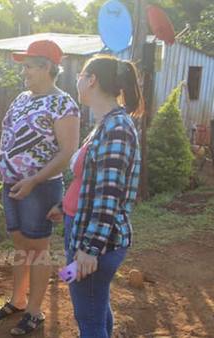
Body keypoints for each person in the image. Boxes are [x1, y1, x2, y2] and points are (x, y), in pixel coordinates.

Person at [0, 40, 80, 335]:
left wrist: (34, 181)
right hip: (11, 183)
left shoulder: (64, 104)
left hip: (40, 188)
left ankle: (35, 312)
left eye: (28, 66)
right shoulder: (21, 98)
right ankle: (18, 300)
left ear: (47, 67)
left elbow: (67, 152)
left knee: (38, 249)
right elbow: (6, 139)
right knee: (20, 245)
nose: (24, 72)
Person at [47, 54, 143, 338]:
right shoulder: (106, 124)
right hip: (83, 232)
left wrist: (89, 249)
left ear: (91, 80)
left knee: (88, 318)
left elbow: (109, 196)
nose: (76, 80)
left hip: (96, 243)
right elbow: (88, 182)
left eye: (80, 75)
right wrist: (64, 208)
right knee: (96, 309)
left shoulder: (116, 129)